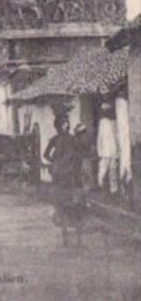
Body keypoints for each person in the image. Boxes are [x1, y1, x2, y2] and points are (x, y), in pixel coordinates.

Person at [43, 115, 87, 247]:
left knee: (75, 206)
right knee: (65, 206)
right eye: (63, 123)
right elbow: (45, 154)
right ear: (58, 126)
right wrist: (55, 164)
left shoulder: (71, 139)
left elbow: (79, 155)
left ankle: (77, 238)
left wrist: (56, 164)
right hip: (63, 178)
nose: (66, 125)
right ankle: (66, 237)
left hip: (71, 177)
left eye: (67, 123)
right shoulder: (57, 139)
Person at [97, 100, 119, 194]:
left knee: (113, 170)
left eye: (108, 110)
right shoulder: (102, 122)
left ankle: (113, 190)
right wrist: (99, 151)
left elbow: (118, 136)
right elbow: (100, 137)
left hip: (114, 150)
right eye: (105, 111)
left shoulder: (115, 122)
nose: (106, 112)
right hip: (105, 151)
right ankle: (101, 186)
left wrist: (118, 151)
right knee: (102, 169)